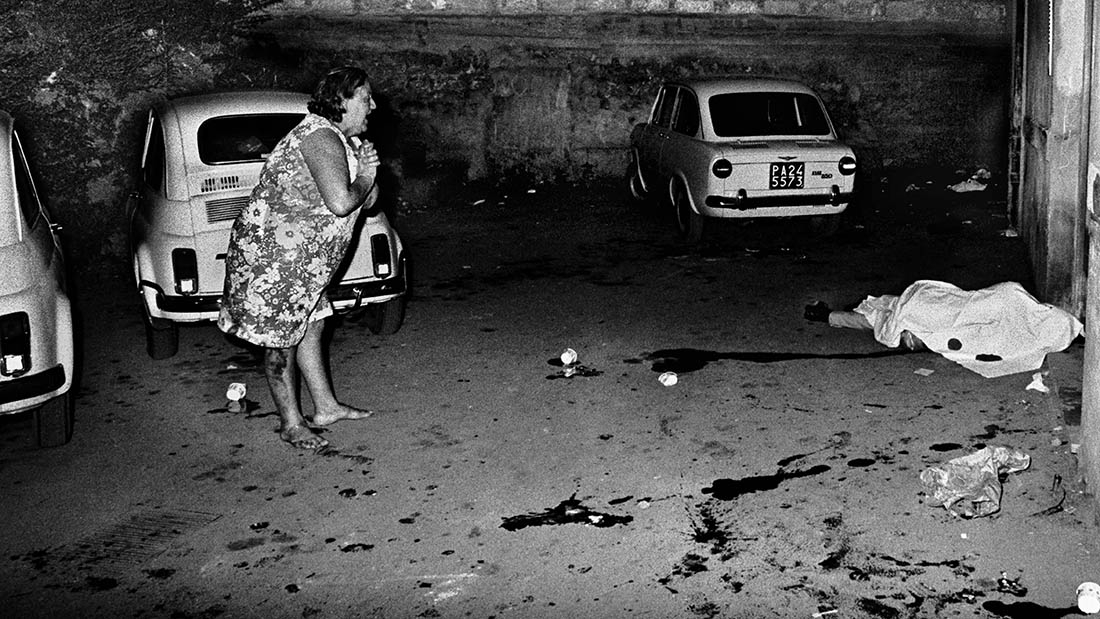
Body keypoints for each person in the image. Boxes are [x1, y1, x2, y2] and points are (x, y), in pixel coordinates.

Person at [218, 67, 382, 450]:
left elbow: (369, 204)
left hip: (304, 265)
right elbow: (343, 202)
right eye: (365, 99)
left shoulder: (341, 140)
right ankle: (291, 423)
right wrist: (365, 176)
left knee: (312, 325)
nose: (373, 106)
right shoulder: (320, 136)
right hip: (276, 263)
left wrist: (369, 172)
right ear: (341, 102)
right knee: (280, 342)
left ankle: (325, 407)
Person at [805, 280, 1083, 378]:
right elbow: (979, 302)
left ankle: (833, 315)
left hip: (940, 318)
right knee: (899, 309)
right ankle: (837, 314)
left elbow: (987, 337)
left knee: (893, 314)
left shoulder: (1027, 329)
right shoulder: (1018, 303)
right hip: (946, 307)